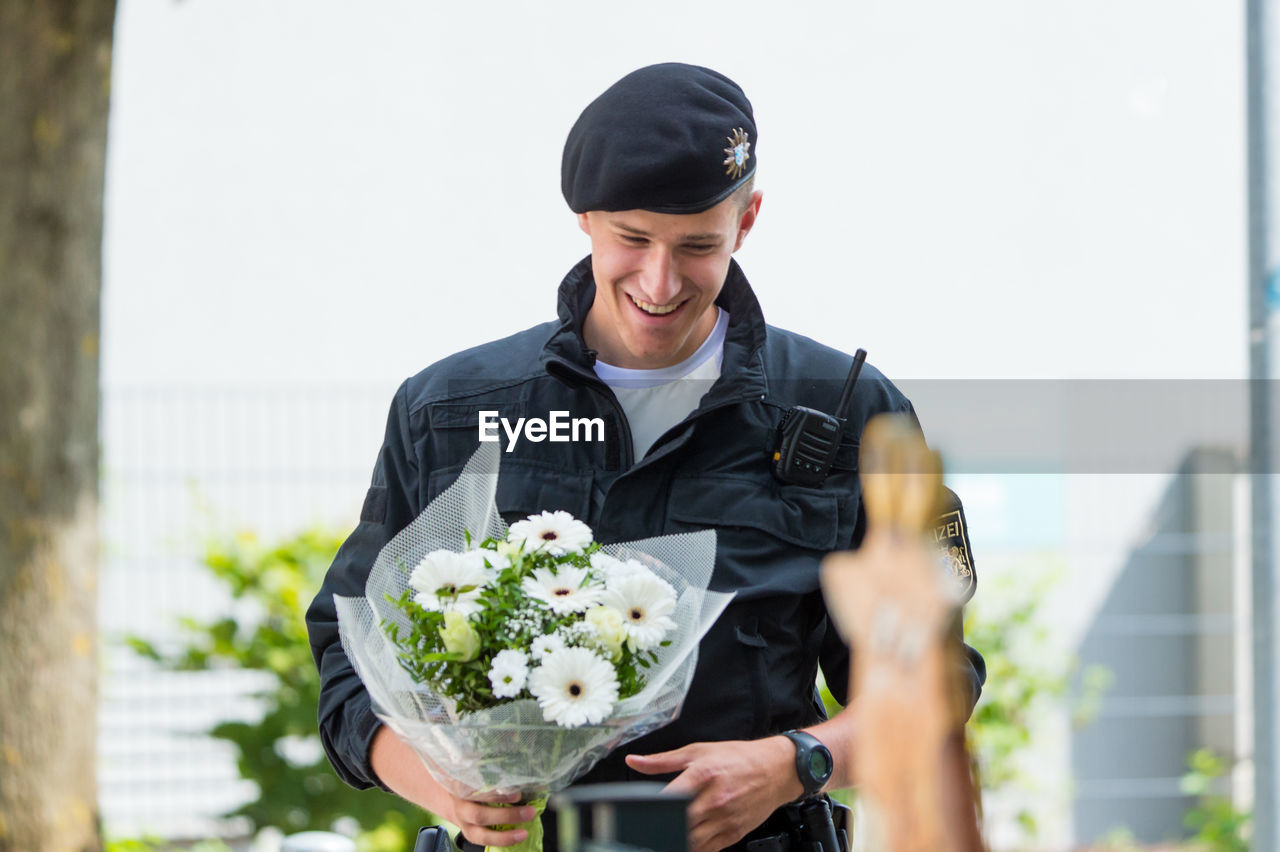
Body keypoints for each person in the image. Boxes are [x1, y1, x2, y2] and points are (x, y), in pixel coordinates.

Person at [305, 62, 986, 852]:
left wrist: (794, 762)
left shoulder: (851, 412)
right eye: (632, 239)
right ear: (586, 220)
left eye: (698, 245)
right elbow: (349, 664)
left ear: (749, 217)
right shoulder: (452, 410)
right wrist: (450, 788)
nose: (660, 282)